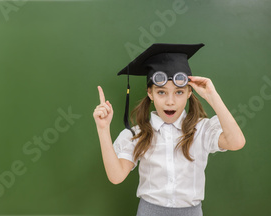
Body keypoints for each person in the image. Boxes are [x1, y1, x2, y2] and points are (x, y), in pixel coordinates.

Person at [93, 43, 245, 216]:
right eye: (161, 92)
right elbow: (116, 176)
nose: (170, 101)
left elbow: (236, 142)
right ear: (150, 93)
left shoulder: (202, 129)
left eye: (179, 92)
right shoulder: (137, 133)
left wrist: (212, 96)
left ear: (189, 92)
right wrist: (103, 130)